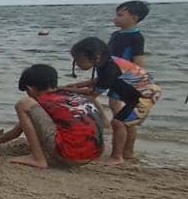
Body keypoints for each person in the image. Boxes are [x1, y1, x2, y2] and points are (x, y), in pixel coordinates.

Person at [63, 37, 160, 165]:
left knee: (118, 123)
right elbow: (99, 80)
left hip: (145, 96)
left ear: (96, 57)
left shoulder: (110, 68)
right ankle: (128, 152)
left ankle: (117, 157)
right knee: (128, 123)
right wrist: (78, 85)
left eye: (79, 60)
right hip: (140, 94)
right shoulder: (106, 62)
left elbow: (93, 93)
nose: (77, 64)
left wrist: (64, 89)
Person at [0, 64, 103, 168]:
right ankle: (41, 155)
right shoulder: (71, 97)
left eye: (27, 91)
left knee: (24, 104)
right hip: (91, 155)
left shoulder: (44, 101)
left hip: (70, 155)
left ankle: (37, 158)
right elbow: (18, 131)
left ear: (30, 89)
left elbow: (16, 132)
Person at [108, 0, 149, 66]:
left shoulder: (136, 37)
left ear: (134, 18)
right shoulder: (115, 34)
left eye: (120, 15)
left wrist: (137, 75)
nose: (115, 18)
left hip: (125, 72)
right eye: (116, 15)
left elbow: (138, 62)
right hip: (111, 69)